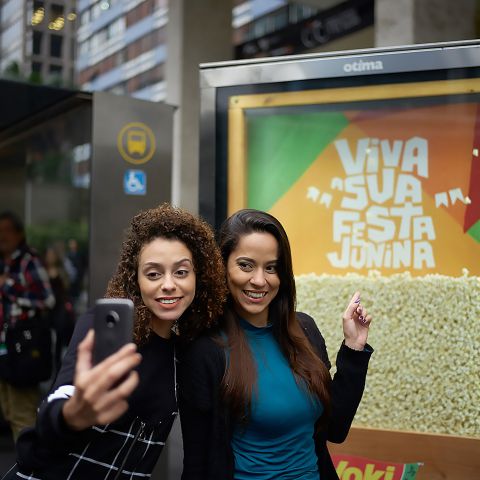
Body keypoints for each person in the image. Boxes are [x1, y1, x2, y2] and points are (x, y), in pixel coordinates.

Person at [3, 203, 227, 479]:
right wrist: (71, 413)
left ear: (199, 278)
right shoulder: (106, 329)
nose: (168, 284)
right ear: (136, 280)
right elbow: (65, 392)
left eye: (181, 272)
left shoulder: (186, 350)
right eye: (153, 273)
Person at [179, 209, 373, 480]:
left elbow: (335, 430)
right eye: (246, 265)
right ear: (222, 267)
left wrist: (353, 348)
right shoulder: (205, 350)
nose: (260, 280)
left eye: (271, 267)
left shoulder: (305, 330)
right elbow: (199, 462)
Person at [0, 211, 55, 442]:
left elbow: (47, 299)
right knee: (11, 411)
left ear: (19, 234)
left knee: (23, 414)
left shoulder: (28, 261)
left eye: (7, 231)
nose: (2, 236)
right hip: (5, 347)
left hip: (21, 348)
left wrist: (8, 287)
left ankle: (30, 469)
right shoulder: (6, 262)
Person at [43, 244, 75, 373]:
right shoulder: (42, 271)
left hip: (60, 309)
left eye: (52, 255)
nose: (50, 257)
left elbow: (68, 286)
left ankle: (58, 368)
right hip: (47, 310)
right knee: (48, 340)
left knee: (59, 339)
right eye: (48, 255)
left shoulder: (62, 271)